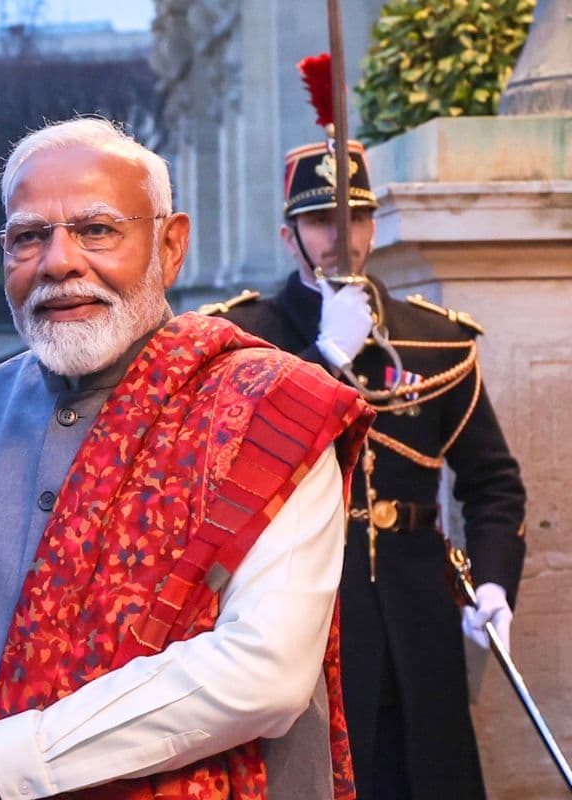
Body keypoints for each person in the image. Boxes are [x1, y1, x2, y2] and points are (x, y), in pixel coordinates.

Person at [0, 117, 373, 800]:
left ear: (170, 246)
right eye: (28, 236)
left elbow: (266, 672)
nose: (58, 262)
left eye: (97, 230)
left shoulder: (265, 415)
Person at [204, 116, 526, 798]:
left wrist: (494, 582)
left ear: (375, 228)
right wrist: (325, 357)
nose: (340, 237)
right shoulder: (244, 339)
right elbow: (231, 466)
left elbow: (493, 482)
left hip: (417, 609)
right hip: (301, 615)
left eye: (355, 218)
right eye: (321, 220)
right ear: (289, 236)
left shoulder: (433, 340)